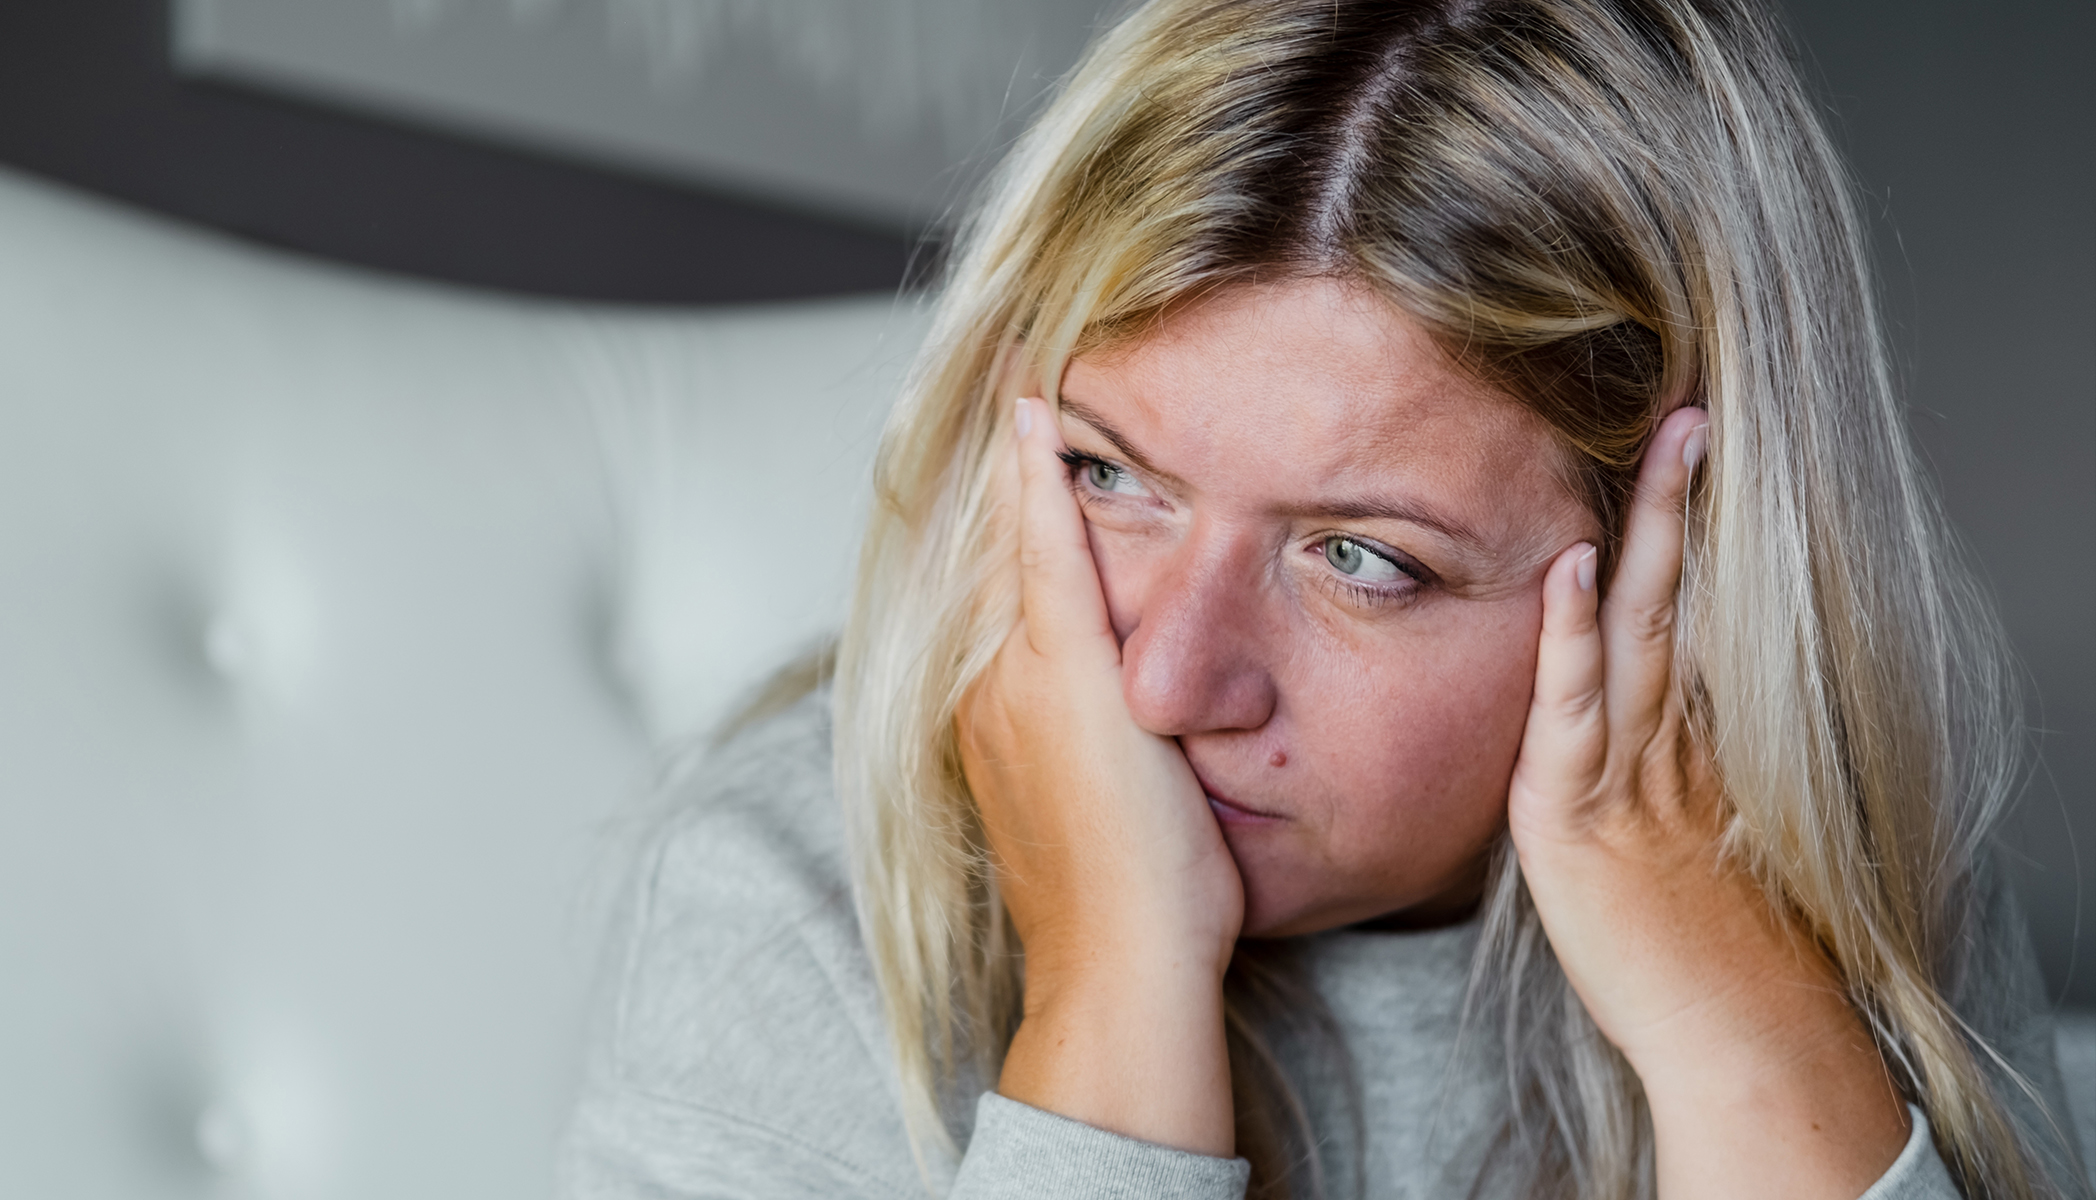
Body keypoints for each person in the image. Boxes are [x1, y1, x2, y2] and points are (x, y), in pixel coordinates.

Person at [558, 0, 2090, 1196]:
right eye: (1110, 475)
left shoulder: (1867, 889)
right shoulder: (786, 895)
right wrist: (1109, 999)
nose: (1166, 680)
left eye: (1364, 558)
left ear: (1675, 577)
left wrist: (1742, 1034)